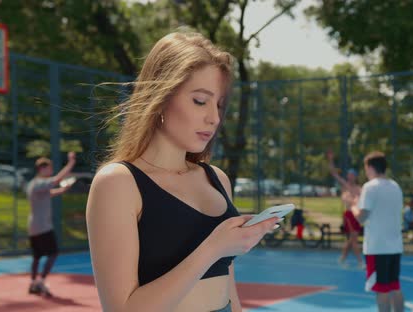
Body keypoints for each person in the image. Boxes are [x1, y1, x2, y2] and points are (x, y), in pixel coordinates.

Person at [85, 31, 279, 312]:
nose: (213, 117)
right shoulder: (118, 183)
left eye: (219, 105)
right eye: (200, 101)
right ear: (161, 97)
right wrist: (214, 248)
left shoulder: (217, 179)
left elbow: (229, 291)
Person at [353, 151, 405, 312]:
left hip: (378, 247)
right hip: (395, 245)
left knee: (381, 290)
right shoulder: (395, 186)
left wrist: (352, 205)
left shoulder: (370, 187)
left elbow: (361, 218)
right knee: (395, 286)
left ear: (370, 167)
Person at [26, 152, 77, 297]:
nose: (51, 171)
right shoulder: (39, 183)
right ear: (42, 169)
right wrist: (71, 163)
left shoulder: (33, 185)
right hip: (43, 227)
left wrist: (63, 190)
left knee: (36, 257)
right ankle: (41, 281)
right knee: (53, 253)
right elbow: (56, 180)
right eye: (49, 168)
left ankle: (33, 283)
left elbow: (49, 193)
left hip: (34, 228)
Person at [326, 150, 364, 268]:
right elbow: (333, 173)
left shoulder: (360, 188)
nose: (350, 176)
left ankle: (342, 258)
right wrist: (331, 159)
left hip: (357, 215)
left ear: (356, 176)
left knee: (352, 239)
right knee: (354, 238)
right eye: (349, 174)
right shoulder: (345, 186)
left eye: (353, 174)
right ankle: (360, 262)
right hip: (349, 214)